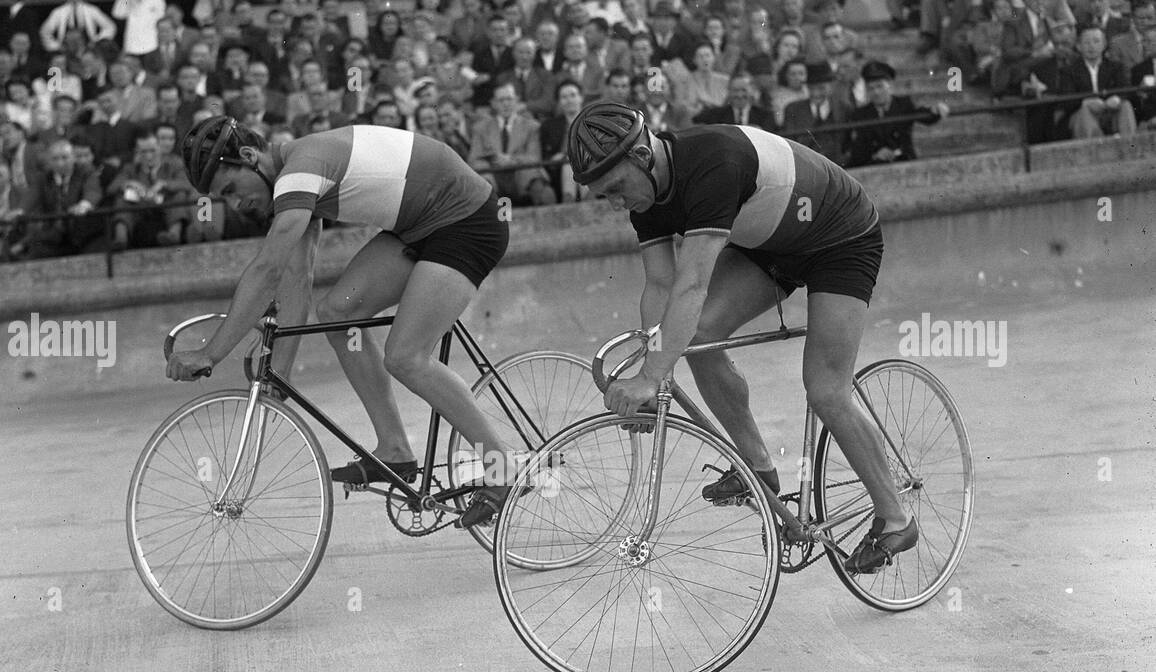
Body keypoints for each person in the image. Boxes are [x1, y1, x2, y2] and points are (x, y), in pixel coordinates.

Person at [566, 101, 917, 574]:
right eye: (602, 195)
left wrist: (652, 375)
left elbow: (691, 284)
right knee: (699, 334)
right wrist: (654, 369)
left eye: (615, 189)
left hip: (840, 237)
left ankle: (896, 518)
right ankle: (758, 469)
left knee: (826, 388)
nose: (615, 203)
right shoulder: (646, 195)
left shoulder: (713, 164)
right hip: (772, 245)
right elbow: (660, 287)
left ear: (644, 156)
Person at [165, 118, 515, 529]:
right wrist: (281, 375)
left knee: (405, 357)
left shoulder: (302, 168)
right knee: (337, 314)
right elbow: (296, 281)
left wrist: (211, 352)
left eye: (230, 190)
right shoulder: (296, 187)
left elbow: (267, 271)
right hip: (421, 227)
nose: (236, 204)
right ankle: (395, 450)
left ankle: (502, 467)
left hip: (468, 222)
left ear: (248, 157)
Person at [846, 60, 949, 166]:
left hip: (904, 162)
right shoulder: (861, 114)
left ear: (890, 85)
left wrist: (936, 110)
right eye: (871, 88)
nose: (876, 92)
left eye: (880, 86)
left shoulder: (903, 105)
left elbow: (923, 115)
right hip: (875, 165)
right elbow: (858, 149)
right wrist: (875, 155)